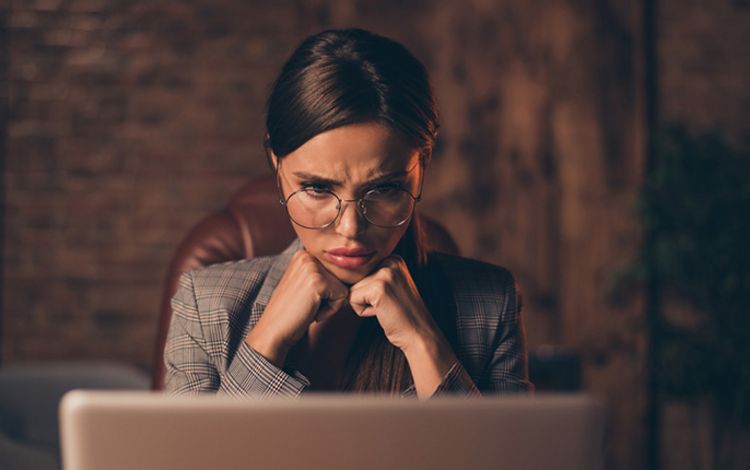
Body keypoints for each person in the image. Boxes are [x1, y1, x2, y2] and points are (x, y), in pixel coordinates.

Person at [164, 28, 532, 399]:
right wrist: (265, 345)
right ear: (276, 164)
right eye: (318, 188)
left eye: (384, 188)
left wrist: (424, 343)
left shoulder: (490, 305)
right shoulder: (205, 306)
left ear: (423, 165)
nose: (351, 228)